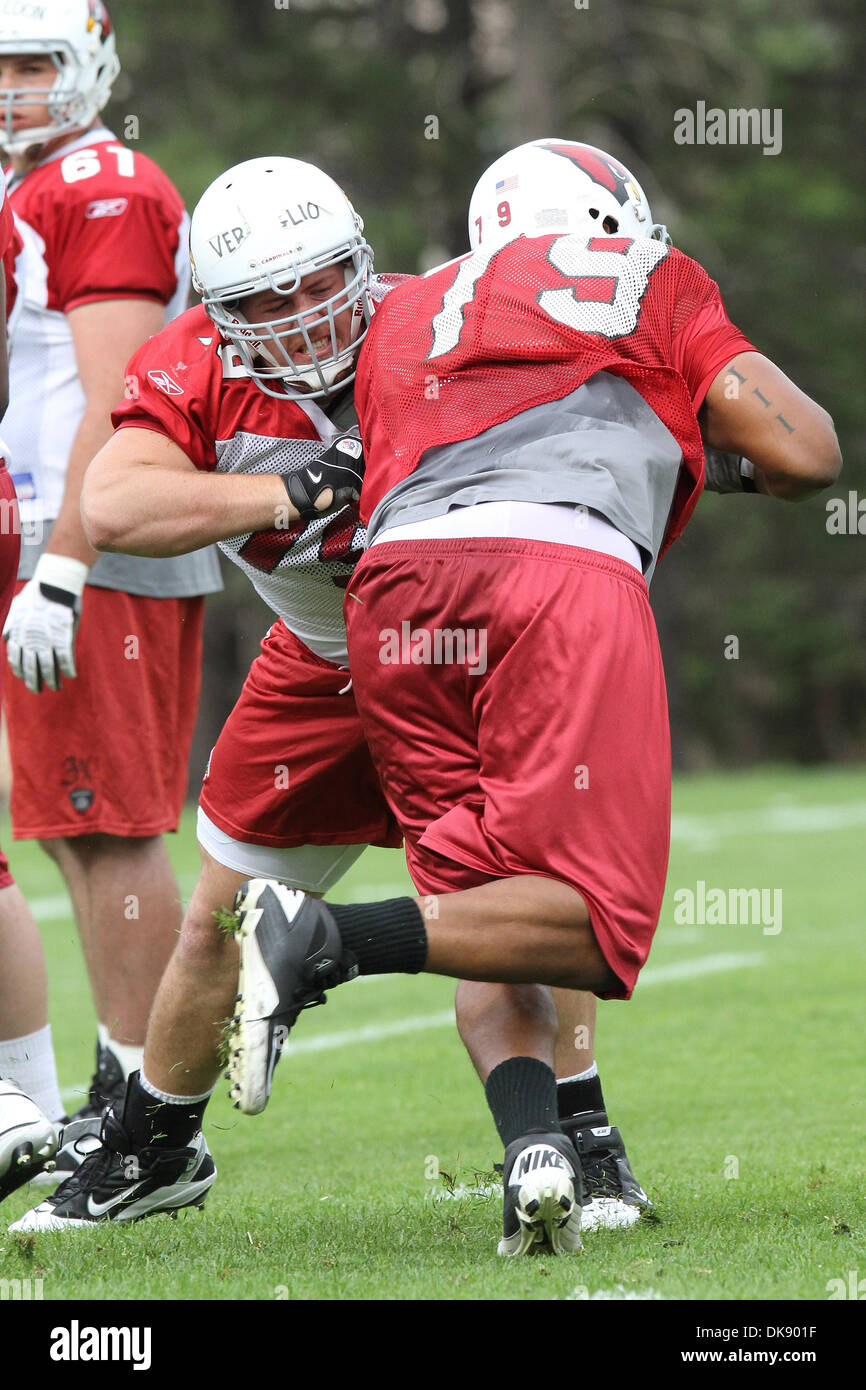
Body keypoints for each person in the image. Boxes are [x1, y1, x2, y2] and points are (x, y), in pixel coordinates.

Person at [217, 139, 841, 1256]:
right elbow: (804, 454)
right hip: (552, 575)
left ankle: (534, 1156)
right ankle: (320, 938)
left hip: (397, 597)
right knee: (595, 928)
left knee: (477, 911)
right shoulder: (646, 275)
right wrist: (695, 439)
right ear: (615, 217)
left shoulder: (408, 309)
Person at [6, 154, 644, 1232]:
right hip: (321, 659)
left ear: (363, 263)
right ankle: (155, 1147)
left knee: (505, 895)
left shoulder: (444, 322)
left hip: (462, 662)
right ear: (219, 309)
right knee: (217, 921)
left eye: (319, 283)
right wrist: (281, 489)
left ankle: (574, 1134)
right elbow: (114, 502)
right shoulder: (194, 362)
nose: (303, 317)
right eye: (266, 298)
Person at [0, 0, 221, 1173]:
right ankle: (118, 1077)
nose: (11, 87)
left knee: (111, 820)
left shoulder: (102, 184)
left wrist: (66, 566)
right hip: (56, 538)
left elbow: (114, 393)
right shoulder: (36, 186)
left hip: (91, 541)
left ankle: (150, 1113)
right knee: (75, 831)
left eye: (31, 63)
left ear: (86, 66)